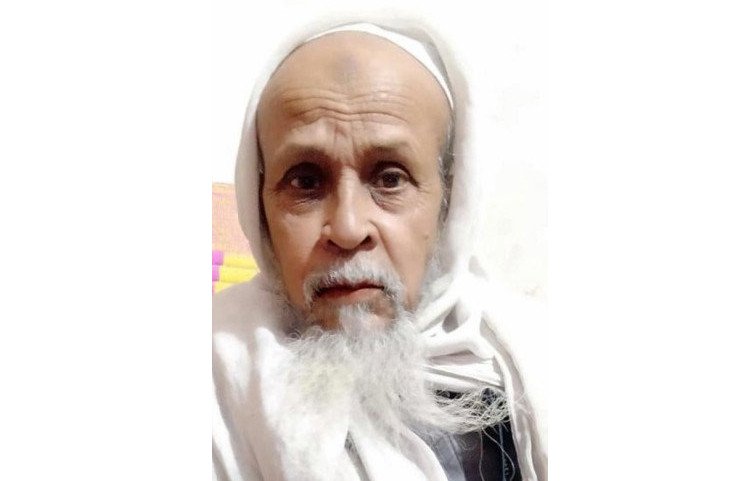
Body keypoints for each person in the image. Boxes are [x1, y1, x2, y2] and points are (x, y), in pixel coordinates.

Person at [213, 16, 547, 481]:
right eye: (305, 182)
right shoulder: (214, 375)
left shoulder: (535, 358)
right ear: (260, 207)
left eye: (390, 178)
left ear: (449, 202)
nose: (348, 229)